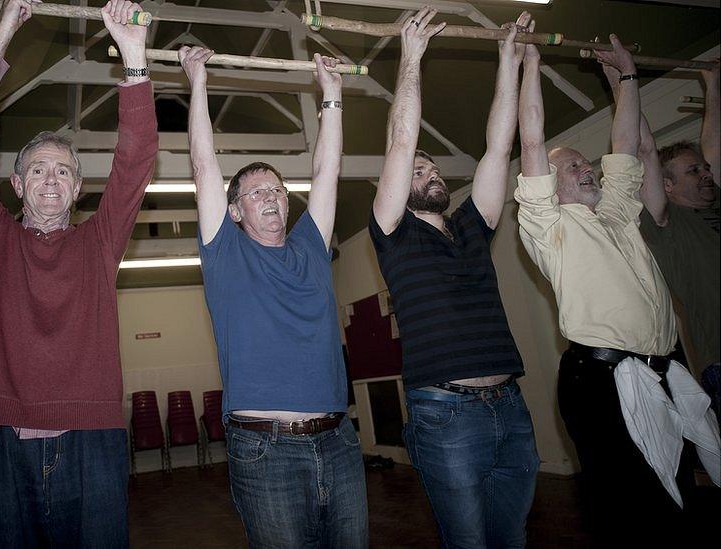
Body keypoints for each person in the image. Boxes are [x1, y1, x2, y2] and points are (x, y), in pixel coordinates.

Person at [0, 0, 156, 546]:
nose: (49, 179)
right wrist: (3, 32)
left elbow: (134, 164)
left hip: (93, 441)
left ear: (77, 188)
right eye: (36, 169)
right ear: (15, 185)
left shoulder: (99, 243)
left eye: (63, 171)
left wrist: (134, 57)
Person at [514, 33, 719, 545]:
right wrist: (529, 65)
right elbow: (533, 145)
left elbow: (627, 145)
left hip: (662, 368)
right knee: (630, 507)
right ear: (548, 184)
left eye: (585, 162)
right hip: (600, 378)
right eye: (572, 168)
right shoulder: (547, 225)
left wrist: (627, 76)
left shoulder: (619, 212)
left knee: (679, 494)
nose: (586, 167)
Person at [179, 41, 367, 547]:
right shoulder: (225, 253)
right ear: (235, 210)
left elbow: (327, 171)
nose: (272, 196)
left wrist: (331, 96)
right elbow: (203, 167)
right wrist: (197, 83)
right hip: (266, 452)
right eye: (257, 192)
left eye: (279, 188)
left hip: (339, 441)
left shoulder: (310, 244)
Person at [369, 8, 539, 548]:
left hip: (510, 406)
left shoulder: (471, 225)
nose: (431, 172)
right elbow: (400, 142)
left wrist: (508, 61)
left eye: (434, 167)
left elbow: (499, 148)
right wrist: (412, 57)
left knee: (510, 539)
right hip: (445, 413)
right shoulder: (391, 230)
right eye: (419, 171)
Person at [633, 59, 719, 374]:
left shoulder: (714, 204)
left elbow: (713, 148)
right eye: (693, 171)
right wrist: (624, 80)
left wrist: (712, 84)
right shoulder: (668, 223)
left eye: (705, 169)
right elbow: (645, 151)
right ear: (667, 185)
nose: (706, 174)